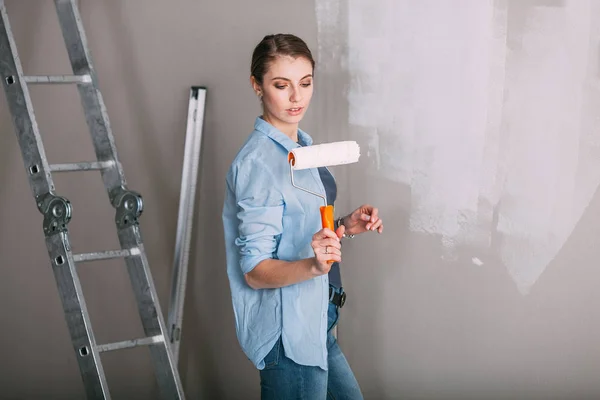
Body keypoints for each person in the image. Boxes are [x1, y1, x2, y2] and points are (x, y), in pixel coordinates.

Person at [222, 33, 384, 399]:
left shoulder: (302, 149)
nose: (297, 97)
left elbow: (299, 229)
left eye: (305, 83)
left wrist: (344, 226)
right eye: (282, 85)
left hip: (317, 323)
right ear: (257, 86)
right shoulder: (258, 164)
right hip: (288, 334)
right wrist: (313, 267)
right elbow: (255, 270)